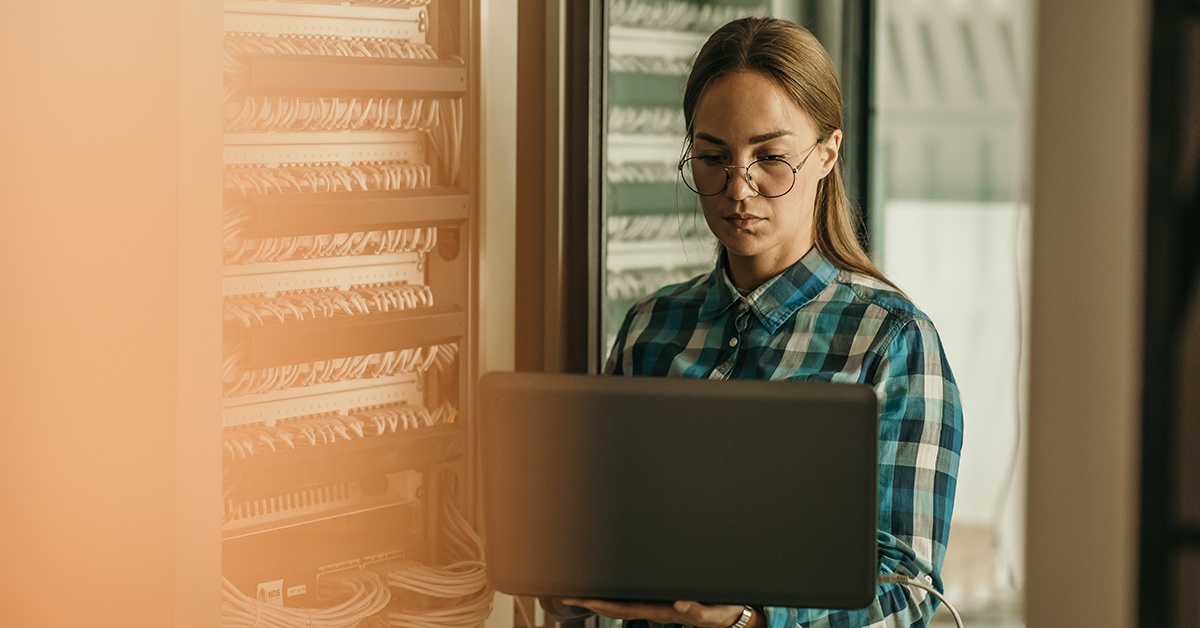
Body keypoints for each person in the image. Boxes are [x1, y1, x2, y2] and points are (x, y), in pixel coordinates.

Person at [543, 15, 964, 628]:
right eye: (713, 156)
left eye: (770, 157)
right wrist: (566, 578)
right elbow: (607, 534)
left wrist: (754, 619)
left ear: (827, 153)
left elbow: (908, 593)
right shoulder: (650, 328)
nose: (738, 188)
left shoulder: (892, 341)